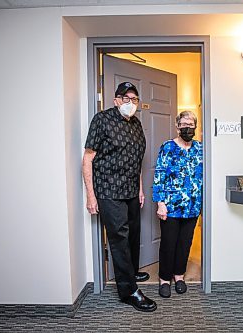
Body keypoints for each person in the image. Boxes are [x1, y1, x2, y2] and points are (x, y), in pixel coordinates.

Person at [82, 82, 157, 312]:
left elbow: (137, 161)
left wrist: (141, 189)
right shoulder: (101, 120)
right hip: (108, 191)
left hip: (131, 190)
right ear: (115, 100)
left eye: (134, 99)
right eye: (126, 98)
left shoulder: (136, 123)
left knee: (134, 233)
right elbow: (87, 159)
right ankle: (129, 291)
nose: (130, 103)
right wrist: (91, 196)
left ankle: (131, 272)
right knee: (119, 239)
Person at [152, 111, 203, 298]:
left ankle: (178, 276)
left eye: (191, 124)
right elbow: (159, 176)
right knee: (168, 243)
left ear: (196, 127)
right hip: (171, 206)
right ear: (177, 126)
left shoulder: (201, 148)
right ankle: (164, 279)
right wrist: (160, 203)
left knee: (185, 243)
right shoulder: (167, 147)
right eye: (184, 124)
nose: (187, 127)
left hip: (192, 206)